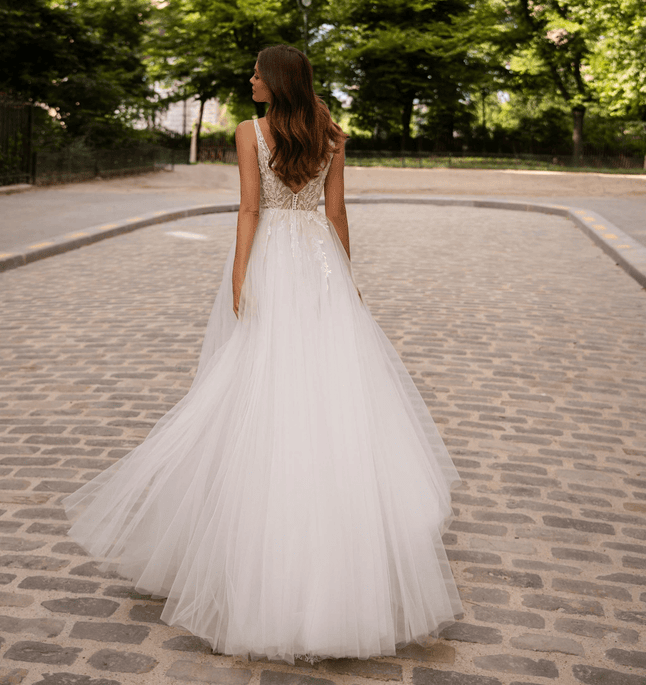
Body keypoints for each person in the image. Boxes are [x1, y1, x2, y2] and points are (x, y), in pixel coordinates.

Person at [63, 44, 463, 664]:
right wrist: (346, 278)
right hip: (319, 264)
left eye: (255, 72)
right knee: (328, 391)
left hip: (273, 257)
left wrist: (240, 278)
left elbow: (250, 208)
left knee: (256, 386)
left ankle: (257, 552)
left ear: (275, 80)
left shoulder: (249, 133)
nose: (249, 79)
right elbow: (335, 213)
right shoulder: (331, 134)